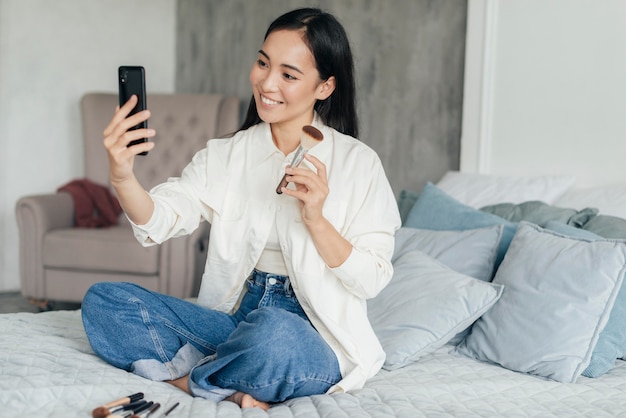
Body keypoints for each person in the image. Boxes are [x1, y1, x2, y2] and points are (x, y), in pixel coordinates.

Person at [81, 7, 400, 410]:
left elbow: (372, 278)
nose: (266, 82)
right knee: (104, 302)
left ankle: (187, 380)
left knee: (275, 335)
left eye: (288, 74)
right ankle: (230, 384)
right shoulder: (228, 155)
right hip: (234, 320)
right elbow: (160, 221)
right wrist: (123, 176)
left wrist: (317, 221)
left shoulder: (359, 163)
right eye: (263, 63)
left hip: (313, 335)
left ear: (325, 86)